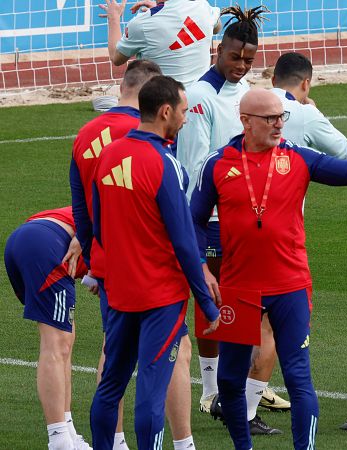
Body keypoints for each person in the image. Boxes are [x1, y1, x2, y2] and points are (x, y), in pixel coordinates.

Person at [190, 88, 347, 450]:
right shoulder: (218, 164)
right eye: (269, 118)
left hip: (290, 287)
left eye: (281, 117)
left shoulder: (298, 158)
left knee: (299, 379)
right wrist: (203, 269)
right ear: (245, 122)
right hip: (238, 289)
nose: (278, 124)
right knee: (228, 380)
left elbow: (346, 172)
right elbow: (193, 220)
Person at [71, 59, 204, 450]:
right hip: (156, 280)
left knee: (113, 366)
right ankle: (183, 443)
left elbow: (83, 210)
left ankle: (112, 443)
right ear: (158, 100)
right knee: (168, 360)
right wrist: (205, 295)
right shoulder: (153, 142)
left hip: (110, 273)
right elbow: (177, 229)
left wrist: (95, 265)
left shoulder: (86, 136)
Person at [173, 6, 288, 432]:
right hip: (213, 218)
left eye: (249, 60)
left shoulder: (242, 96)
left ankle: (230, 389)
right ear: (217, 50)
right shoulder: (199, 97)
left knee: (239, 305)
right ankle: (210, 391)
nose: (241, 66)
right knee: (219, 302)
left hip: (243, 216)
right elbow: (195, 165)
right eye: (235, 57)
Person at [4, 207, 91, 450]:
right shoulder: (127, 219)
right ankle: (59, 440)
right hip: (47, 247)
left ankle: (68, 430)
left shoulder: (105, 201)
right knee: (56, 344)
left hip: (22, 240)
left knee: (65, 338)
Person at [99, 0, 221, 86]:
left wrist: (114, 18)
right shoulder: (203, 7)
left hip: (162, 105)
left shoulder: (142, 23)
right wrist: (165, 10)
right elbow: (216, 28)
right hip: (200, 103)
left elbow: (116, 57)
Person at [271, 52, 347, 159]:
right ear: (305, 84)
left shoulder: (247, 101)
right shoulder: (306, 113)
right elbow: (343, 152)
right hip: (287, 174)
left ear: (273, 80)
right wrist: (316, 113)